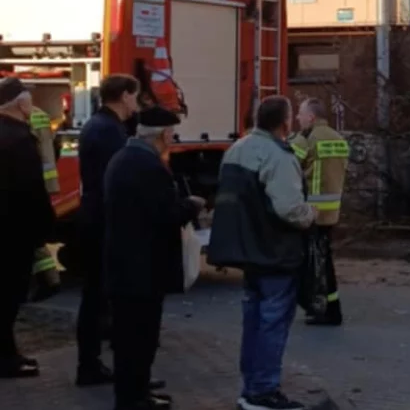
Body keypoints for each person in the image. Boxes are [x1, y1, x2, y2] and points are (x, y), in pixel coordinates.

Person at [208, 96, 316, 410]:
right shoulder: (278, 156)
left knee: (253, 323)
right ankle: (263, 391)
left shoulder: (236, 150)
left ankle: (251, 389)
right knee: (272, 323)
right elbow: (289, 208)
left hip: (248, 252)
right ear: (285, 122)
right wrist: (311, 215)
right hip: (275, 252)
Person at [104, 106, 205, 410]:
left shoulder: (122, 158)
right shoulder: (148, 166)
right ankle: (134, 398)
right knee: (140, 337)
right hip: (143, 268)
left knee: (129, 337)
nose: (172, 139)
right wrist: (191, 206)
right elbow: (164, 215)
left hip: (125, 264)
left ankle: (135, 393)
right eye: (171, 133)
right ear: (162, 135)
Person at [76, 74, 142, 387]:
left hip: (95, 218)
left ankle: (92, 364)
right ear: (125, 96)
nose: (136, 103)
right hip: (104, 222)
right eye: (135, 96)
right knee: (99, 298)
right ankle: (92, 366)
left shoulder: (99, 125)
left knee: (96, 297)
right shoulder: (108, 131)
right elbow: (119, 179)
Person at [0, 79, 55, 378]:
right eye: (29, 99)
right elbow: (31, 189)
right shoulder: (19, 139)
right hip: (15, 230)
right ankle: (6, 360)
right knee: (10, 295)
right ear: (20, 104)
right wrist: (44, 227)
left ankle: (9, 353)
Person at [290, 99, 349, 327]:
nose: (297, 118)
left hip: (311, 212)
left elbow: (289, 166)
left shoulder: (308, 139)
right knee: (324, 261)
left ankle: (321, 307)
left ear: (311, 117)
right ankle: (330, 308)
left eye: (300, 113)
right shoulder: (338, 138)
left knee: (314, 263)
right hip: (331, 211)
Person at [28, 105, 61, 302]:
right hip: (37, 183)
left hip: (28, 183)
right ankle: (49, 280)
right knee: (34, 236)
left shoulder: (16, 115)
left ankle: (48, 280)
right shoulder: (38, 114)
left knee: (30, 236)